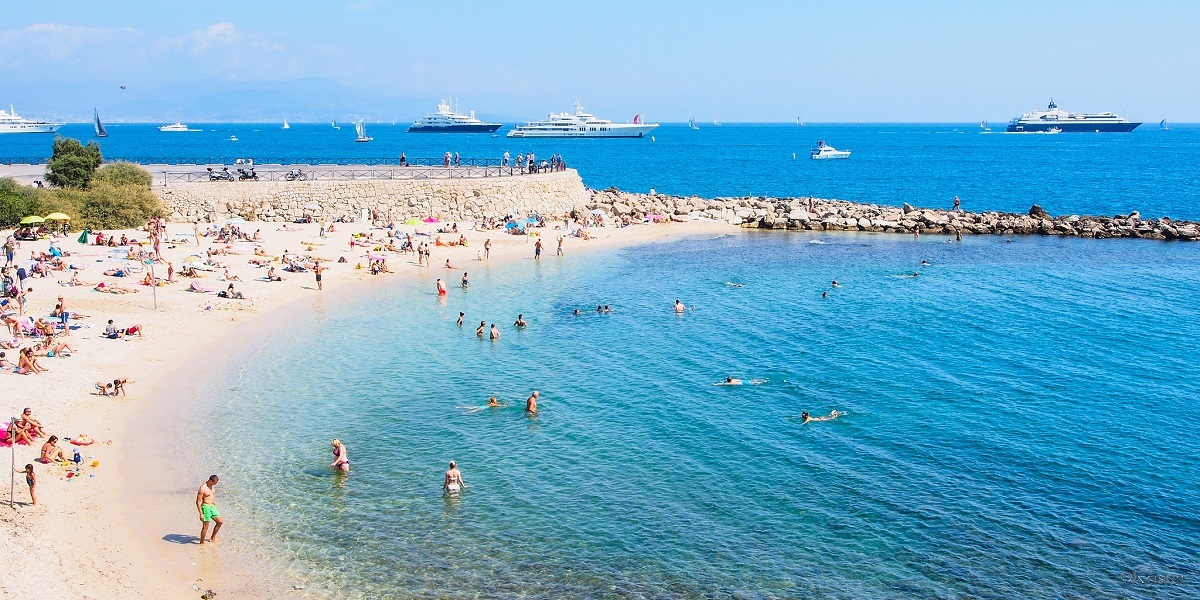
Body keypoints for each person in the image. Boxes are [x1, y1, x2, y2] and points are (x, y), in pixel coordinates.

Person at [196, 475, 223, 544]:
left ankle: (212, 537)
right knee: (206, 526)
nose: (215, 484)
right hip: (205, 507)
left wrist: (214, 504)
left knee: (220, 522)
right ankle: (202, 542)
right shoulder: (202, 488)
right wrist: (201, 513)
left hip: (212, 506)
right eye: (215, 483)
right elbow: (198, 502)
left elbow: (211, 496)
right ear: (211, 481)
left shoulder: (212, 486)